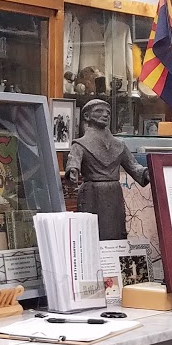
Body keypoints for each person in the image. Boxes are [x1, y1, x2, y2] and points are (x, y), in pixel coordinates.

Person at [65, 99, 149, 241]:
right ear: (86, 116)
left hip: (114, 193)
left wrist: (147, 173)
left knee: (116, 233)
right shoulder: (80, 144)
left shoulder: (119, 145)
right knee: (91, 234)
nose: (105, 115)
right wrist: (73, 170)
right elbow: (74, 160)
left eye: (108, 113)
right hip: (92, 194)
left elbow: (134, 166)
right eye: (99, 111)